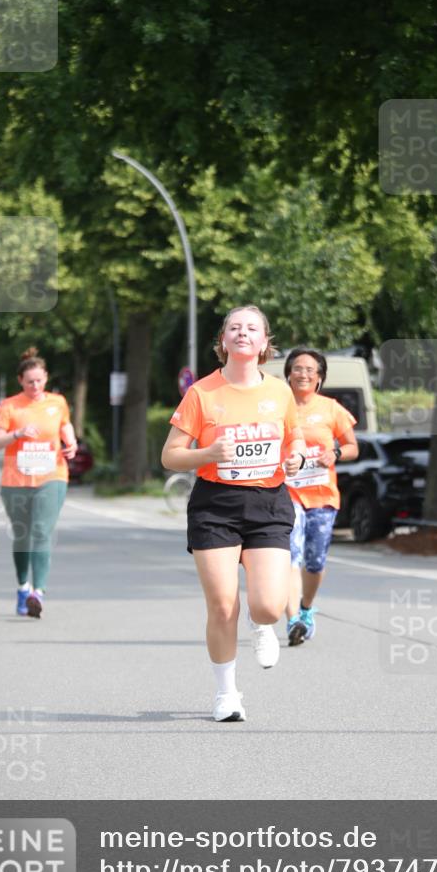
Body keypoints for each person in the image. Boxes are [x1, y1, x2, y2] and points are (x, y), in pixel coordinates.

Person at [162, 306, 306, 723]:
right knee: (224, 605)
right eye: (235, 328)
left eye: (252, 328)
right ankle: (227, 694)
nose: (243, 333)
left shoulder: (279, 392)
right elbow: (170, 456)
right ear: (223, 341)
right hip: (216, 505)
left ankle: (263, 625)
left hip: (268, 503)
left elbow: (294, 437)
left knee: (268, 606)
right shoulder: (202, 393)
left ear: (264, 343)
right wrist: (207, 453)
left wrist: (296, 456)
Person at [0, 348, 78, 618]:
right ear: (20, 381)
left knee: (41, 531)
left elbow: (65, 425)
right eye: (29, 382)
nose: (35, 386)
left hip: (52, 476)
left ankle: (38, 593)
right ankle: (23, 586)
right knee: (23, 535)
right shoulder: (9, 406)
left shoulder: (57, 402)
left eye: (39, 380)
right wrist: (17, 433)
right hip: (15, 480)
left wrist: (71, 442)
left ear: (46, 377)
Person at [282, 347, 358, 646]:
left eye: (310, 370)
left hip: (323, 496)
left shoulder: (331, 409)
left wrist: (335, 453)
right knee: (291, 553)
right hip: (287, 493)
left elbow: (352, 447)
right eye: (297, 368)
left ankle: (306, 608)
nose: (303, 374)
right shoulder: (277, 407)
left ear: (319, 378)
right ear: (288, 374)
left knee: (314, 560)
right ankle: (293, 620)